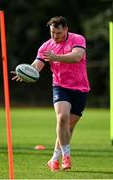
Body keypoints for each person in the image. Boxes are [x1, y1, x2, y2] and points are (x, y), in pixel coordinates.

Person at [12, 16, 90, 171]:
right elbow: (37, 65)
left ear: (66, 29)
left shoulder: (77, 39)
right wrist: (27, 71)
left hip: (80, 88)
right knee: (62, 118)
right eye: (52, 33)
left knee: (68, 126)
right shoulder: (46, 47)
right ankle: (66, 158)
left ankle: (54, 158)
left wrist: (56, 57)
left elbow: (77, 57)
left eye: (58, 33)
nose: (55, 36)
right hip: (60, 87)